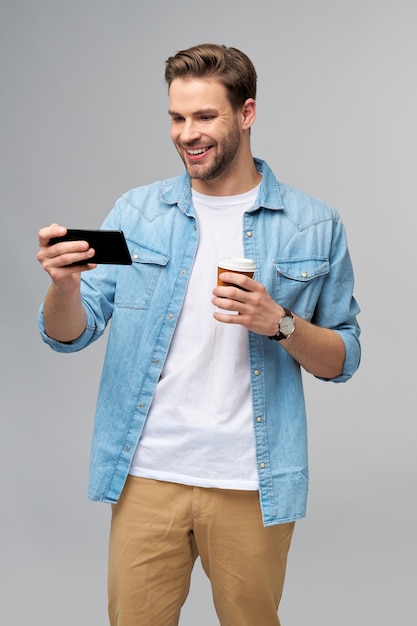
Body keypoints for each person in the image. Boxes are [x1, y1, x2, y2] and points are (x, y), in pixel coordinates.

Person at [36, 43, 361, 626]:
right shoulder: (137, 214)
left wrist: (280, 323)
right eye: (177, 118)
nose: (188, 134)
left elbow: (344, 357)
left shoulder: (314, 224)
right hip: (147, 475)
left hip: (250, 481)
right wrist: (62, 288)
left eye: (205, 117)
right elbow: (69, 335)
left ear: (247, 114)